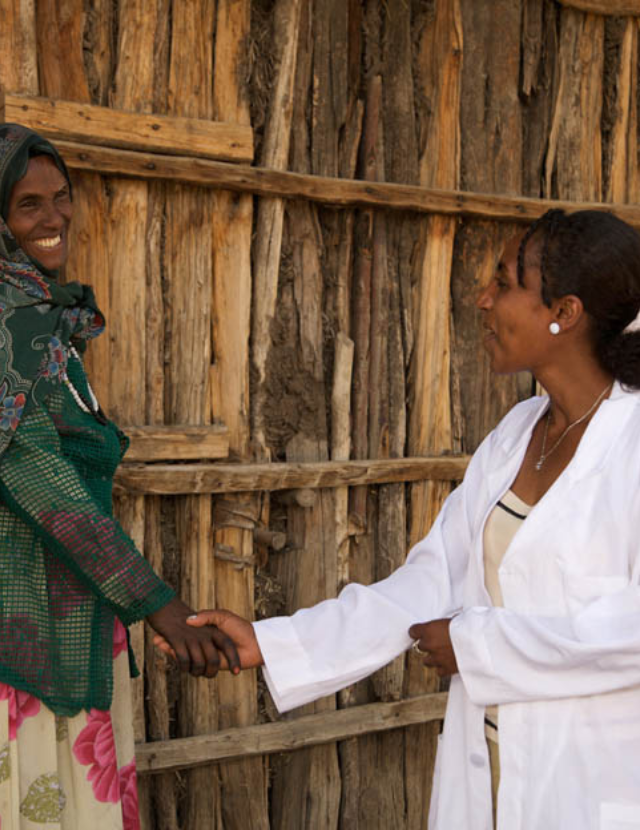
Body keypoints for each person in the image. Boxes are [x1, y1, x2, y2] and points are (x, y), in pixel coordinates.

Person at [158, 209, 640, 830]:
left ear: (565, 312)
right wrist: (274, 642)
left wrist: (476, 644)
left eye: (504, 282)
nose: (482, 299)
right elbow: (430, 582)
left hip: (594, 780)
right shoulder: (517, 435)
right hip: (489, 778)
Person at [0, 123, 239, 829]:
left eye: (61, 197)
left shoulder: (35, 313)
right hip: (20, 626)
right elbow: (33, 469)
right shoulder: (10, 320)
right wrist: (155, 603)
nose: (54, 218)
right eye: (28, 205)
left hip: (68, 604)